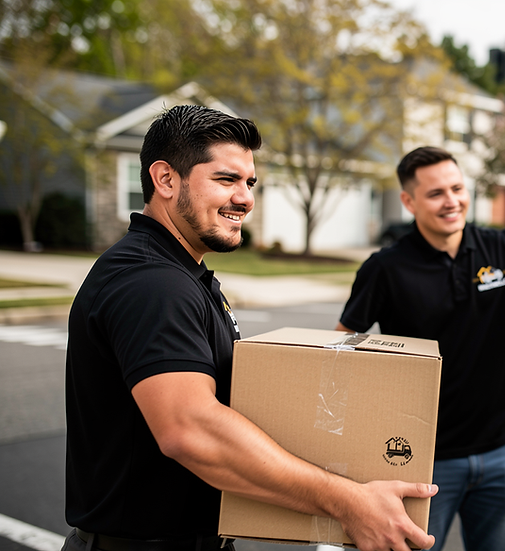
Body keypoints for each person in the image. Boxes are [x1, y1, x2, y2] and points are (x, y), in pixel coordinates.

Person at [64, 105, 436, 551]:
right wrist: (349, 502)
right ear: (165, 179)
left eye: (250, 182)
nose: (245, 197)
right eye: (226, 179)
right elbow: (191, 430)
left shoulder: (181, 272)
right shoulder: (152, 283)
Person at [336, 146, 505, 551]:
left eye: (457, 188)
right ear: (409, 201)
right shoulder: (386, 268)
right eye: (436, 194)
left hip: (501, 449)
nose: (452, 201)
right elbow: (340, 349)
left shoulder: (503, 249)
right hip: (420, 460)